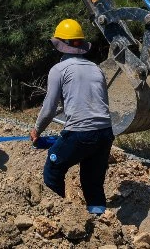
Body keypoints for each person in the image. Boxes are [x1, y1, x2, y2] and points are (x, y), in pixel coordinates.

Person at [29, 19, 114, 215]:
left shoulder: (58, 70)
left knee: (53, 169)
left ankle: (60, 216)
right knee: (93, 182)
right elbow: (102, 104)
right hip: (105, 133)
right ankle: (99, 221)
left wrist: (37, 130)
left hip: (81, 134)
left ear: (59, 44)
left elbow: (49, 107)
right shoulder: (96, 68)